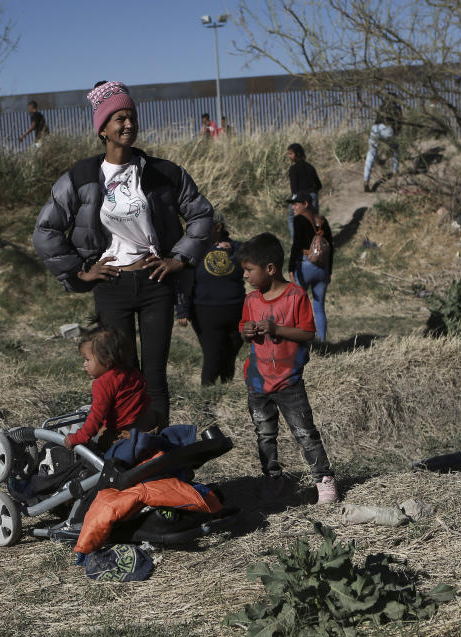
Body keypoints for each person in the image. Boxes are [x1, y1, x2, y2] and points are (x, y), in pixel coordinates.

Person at [33, 80, 213, 427]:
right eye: (119, 118)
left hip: (155, 284)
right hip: (112, 287)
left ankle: (156, 451)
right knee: (121, 378)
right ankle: (127, 453)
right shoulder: (81, 177)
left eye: (131, 116)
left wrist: (179, 258)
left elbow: (202, 215)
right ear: (103, 128)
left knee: (155, 377)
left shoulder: (165, 173)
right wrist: (80, 272)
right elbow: (45, 230)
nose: (128, 124)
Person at [236, 233, 338, 504]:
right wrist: (246, 331)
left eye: (249, 270)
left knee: (304, 432)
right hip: (257, 382)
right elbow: (243, 327)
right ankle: (272, 479)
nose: (246, 276)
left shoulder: (295, 295)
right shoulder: (251, 301)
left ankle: (324, 480)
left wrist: (277, 329)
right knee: (265, 434)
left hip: (289, 382)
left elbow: (307, 333)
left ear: (270, 269)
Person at [175, 211, 245, 385]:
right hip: (205, 312)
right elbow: (184, 280)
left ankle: (226, 389)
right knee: (213, 354)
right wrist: (182, 309)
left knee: (231, 351)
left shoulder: (235, 246)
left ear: (218, 227)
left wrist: (233, 251)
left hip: (236, 309)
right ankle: (208, 394)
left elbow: (252, 256)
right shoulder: (194, 248)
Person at [64, 325, 158, 451]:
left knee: (100, 444)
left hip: (126, 432)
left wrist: (79, 437)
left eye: (87, 359)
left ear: (107, 359)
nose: (84, 364)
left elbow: (96, 416)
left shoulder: (103, 384)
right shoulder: (131, 372)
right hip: (149, 423)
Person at [288, 192, 333, 342]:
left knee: (298, 306)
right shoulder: (322, 220)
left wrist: (290, 267)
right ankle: (321, 341)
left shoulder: (299, 219)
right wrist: (329, 271)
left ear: (306, 204)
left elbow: (296, 244)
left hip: (304, 267)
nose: (293, 207)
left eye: (296, 203)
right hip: (322, 268)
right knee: (319, 308)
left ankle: (299, 340)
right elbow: (331, 247)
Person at [363, 94, 402, 192]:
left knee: (371, 154)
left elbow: (377, 119)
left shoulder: (381, 106)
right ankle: (395, 171)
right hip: (388, 130)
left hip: (375, 129)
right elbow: (398, 125)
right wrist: (395, 134)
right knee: (395, 150)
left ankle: (366, 180)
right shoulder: (397, 108)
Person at [286, 143, 322, 238]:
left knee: (291, 219)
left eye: (290, 154)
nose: (289, 156)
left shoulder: (293, 169)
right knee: (314, 219)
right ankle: (316, 243)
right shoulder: (310, 167)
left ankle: (297, 243)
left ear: (297, 154)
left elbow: (294, 188)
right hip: (313, 196)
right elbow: (319, 185)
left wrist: (295, 202)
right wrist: (313, 194)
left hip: (300, 198)